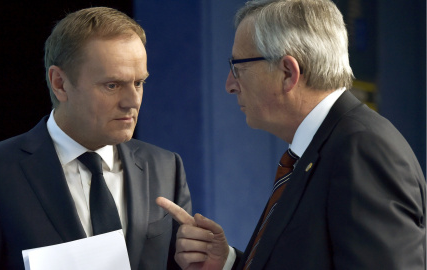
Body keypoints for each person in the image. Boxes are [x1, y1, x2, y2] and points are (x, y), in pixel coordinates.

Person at [157, 0, 426, 269]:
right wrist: (228, 263)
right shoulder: (321, 148)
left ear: (288, 72)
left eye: (238, 67)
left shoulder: (361, 150)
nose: (230, 85)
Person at [0, 7, 191, 270]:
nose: (132, 101)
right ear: (60, 83)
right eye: (112, 85)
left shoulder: (166, 167)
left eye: (139, 83)